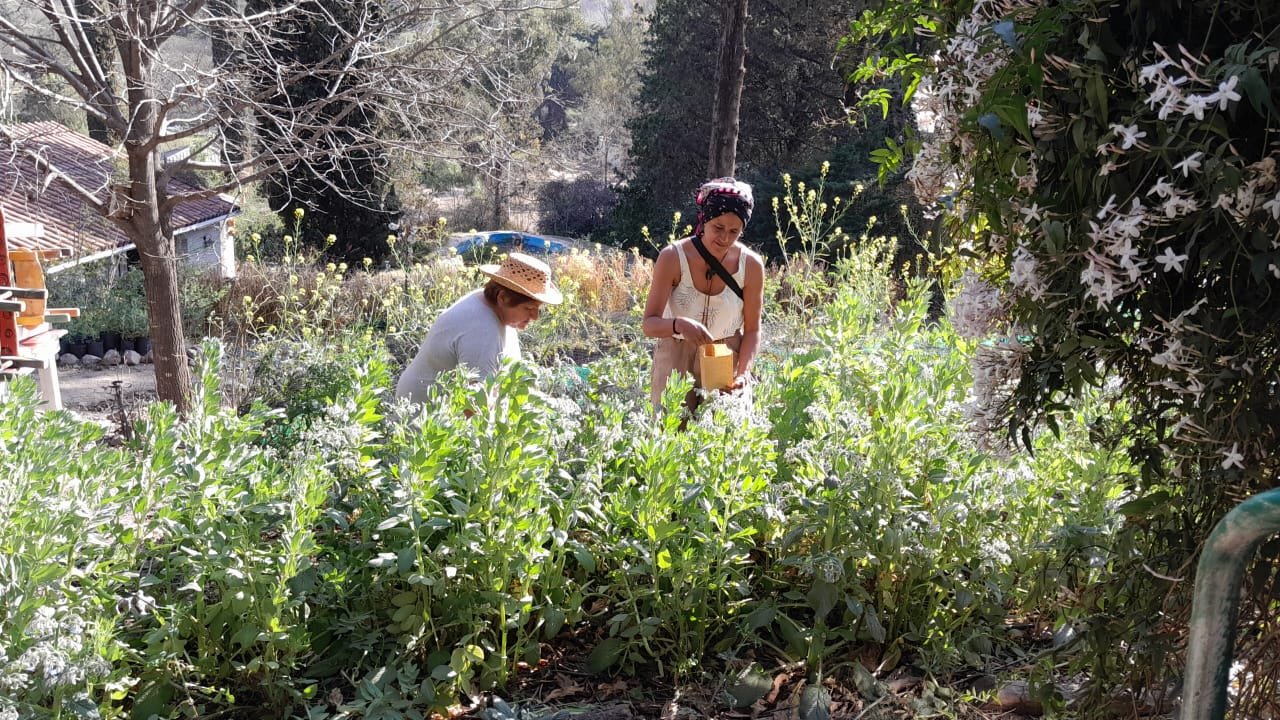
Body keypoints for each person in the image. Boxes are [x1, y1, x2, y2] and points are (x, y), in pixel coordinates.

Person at [642, 177, 764, 410]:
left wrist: (743, 374)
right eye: (718, 228)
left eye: (734, 231)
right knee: (671, 438)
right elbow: (649, 324)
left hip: (725, 360)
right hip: (676, 356)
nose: (725, 238)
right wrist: (679, 325)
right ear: (704, 220)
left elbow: (752, 329)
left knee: (722, 439)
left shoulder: (751, 266)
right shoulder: (672, 257)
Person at [395, 251, 562, 404]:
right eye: (529, 308)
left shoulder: (493, 308)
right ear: (503, 298)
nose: (535, 317)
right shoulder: (483, 329)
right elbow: (475, 406)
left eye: (538, 308)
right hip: (425, 419)